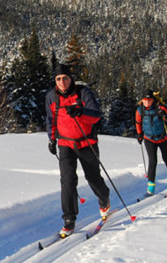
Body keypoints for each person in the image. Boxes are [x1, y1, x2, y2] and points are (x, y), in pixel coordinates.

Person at [45, 64, 111, 237]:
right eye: (58, 79)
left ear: (70, 78)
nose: (62, 82)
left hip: (86, 142)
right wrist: (52, 139)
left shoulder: (83, 93)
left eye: (65, 78)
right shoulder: (51, 97)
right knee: (67, 181)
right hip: (66, 144)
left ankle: (104, 198)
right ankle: (69, 219)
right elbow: (51, 120)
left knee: (93, 178)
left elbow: (96, 115)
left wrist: (80, 112)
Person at [135, 90, 167, 196]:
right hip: (149, 139)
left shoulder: (160, 107)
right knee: (152, 161)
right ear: (142, 100)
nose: (147, 102)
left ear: (153, 100)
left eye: (149, 100)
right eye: (145, 100)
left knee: (166, 158)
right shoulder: (140, 110)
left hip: (164, 138)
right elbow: (138, 122)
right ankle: (151, 188)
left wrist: (165, 116)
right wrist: (139, 135)